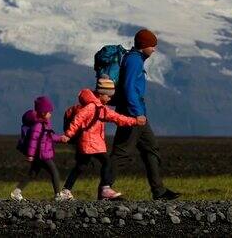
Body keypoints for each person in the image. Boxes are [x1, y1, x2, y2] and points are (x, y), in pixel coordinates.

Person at [110, 29, 180, 200]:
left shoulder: (136, 59)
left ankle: (159, 191)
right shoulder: (134, 60)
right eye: (152, 45)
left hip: (138, 113)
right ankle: (105, 188)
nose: (154, 49)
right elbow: (129, 88)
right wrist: (137, 113)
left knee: (151, 149)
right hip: (132, 113)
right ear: (143, 46)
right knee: (122, 152)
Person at [59, 76, 140, 200]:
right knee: (106, 162)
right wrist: (68, 134)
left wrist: (134, 121)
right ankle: (105, 189)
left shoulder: (101, 108)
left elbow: (117, 118)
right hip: (90, 142)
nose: (110, 98)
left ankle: (66, 190)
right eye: (108, 96)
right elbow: (78, 119)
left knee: (81, 166)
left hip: (92, 142)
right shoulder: (92, 107)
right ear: (101, 94)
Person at [11, 96, 66, 201]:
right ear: (44, 112)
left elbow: (49, 138)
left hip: (40, 154)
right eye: (50, 112)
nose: (51, 114)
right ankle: (58, 195)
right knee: (54, 172)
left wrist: (61, 139)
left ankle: (16, 192)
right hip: (42, 155)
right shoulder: (38, 126)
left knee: (32, 173)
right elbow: (33, 141)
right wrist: (30, 155)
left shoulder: (44, 125)